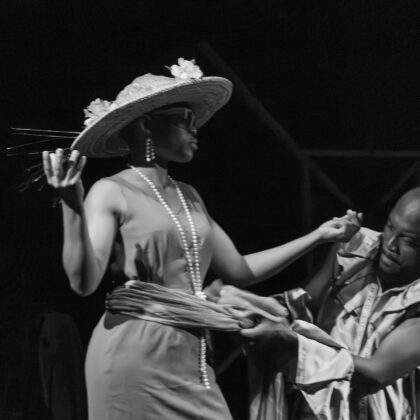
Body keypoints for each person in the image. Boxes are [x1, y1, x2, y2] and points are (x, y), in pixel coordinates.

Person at [42, 58, 358, 420]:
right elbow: (83, 283)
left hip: (192, 351)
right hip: (134, 353)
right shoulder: (110, 190)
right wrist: (72, 206)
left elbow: (239, 269)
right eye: (183, 120)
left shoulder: (189, 194)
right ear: (146, 125)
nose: (195, 129)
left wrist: (319, 236)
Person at [235, 187, 420, 420]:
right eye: (390, 227)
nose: (391, 245)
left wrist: (292, 342)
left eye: (410, 241)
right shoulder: (354, 250)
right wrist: (246, 307)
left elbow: (376, 375)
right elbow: (298, 308)